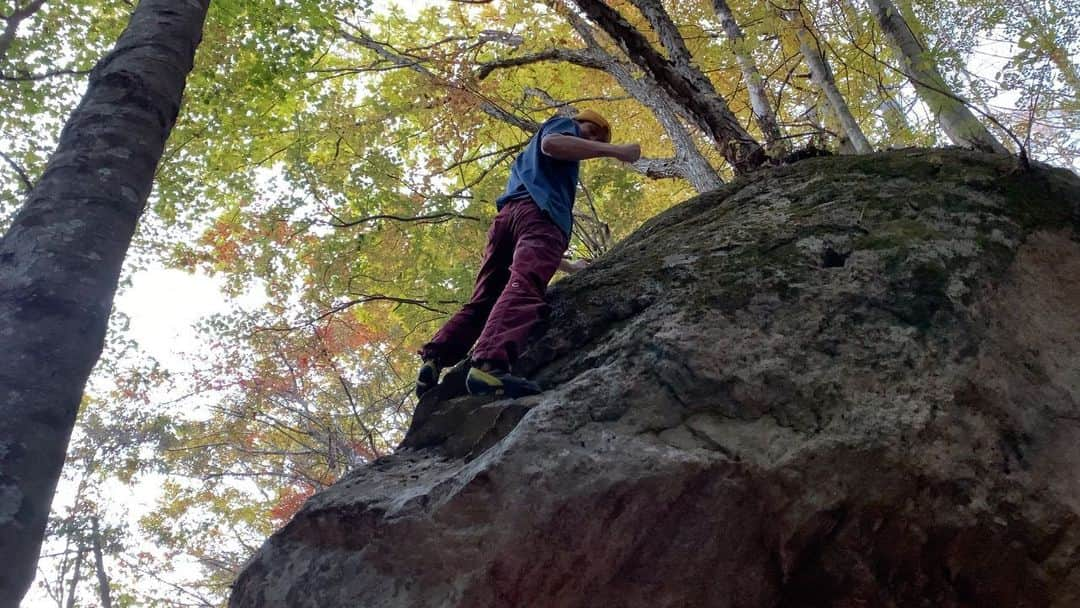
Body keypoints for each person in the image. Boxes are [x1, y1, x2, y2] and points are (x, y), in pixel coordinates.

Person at [416, 110, 641, 398]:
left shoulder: (535, 166)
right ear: (579, 121)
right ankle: (489, 366)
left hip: (508, 220)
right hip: (540, 217)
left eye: (599, 137)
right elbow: (553, 145)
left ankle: (435, 359)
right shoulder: (562, 126)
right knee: (525, 286)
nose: (592, 138)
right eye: (592, 129)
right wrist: (615, 150)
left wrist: (568, 266)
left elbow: (527, 238)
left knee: (486, 298)